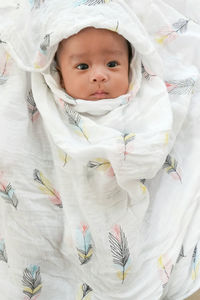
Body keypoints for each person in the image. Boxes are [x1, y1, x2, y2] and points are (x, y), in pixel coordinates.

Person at [0, 1, 200, 300]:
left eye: (112, 64)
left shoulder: (150, 105)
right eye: (82, 66)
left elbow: (172, 139)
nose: (99, 75)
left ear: (132, 64)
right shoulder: (48, 110)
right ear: (57, 72)